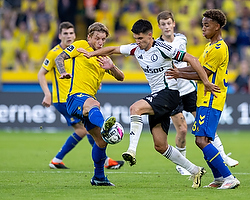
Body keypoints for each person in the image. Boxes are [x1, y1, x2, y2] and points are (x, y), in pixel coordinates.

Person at [78, 19, 220, 188]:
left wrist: (206, 82)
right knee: (160, 146)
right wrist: (92, 54)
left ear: (150, 36)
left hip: (169, 94)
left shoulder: (163, 48)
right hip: (158, 97)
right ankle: (195, 170)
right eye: (135, 38)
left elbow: (193, 60)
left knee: (135, 108)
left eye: (140, 38)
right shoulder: (135, 49)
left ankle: (131, 150)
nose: (137, 42)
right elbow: (113, 49)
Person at [156, 11, 239, 176]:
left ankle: (227, 176)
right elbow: (196, 67)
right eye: (202, 25)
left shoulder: (218, 48)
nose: (202, 29)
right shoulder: (209, 46)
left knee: (202, 140)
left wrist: (179, 73)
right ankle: (219, 178)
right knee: (201, 138)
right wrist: (178, 71)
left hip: (210, 98)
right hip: (197, 96)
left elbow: (205, 73)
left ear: (217, 26)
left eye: (206, 25)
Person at [38, 22, 124, 170]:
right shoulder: (79, 46)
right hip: (71, 98)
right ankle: (104, 129)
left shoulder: (102, 56)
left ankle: (99, 175)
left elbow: (120, 77)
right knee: (91, 112)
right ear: (89, 37)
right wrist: (60, 76)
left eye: (103, 39)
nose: (100, 42)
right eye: (97, 38)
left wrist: (111, 68)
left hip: (85, 99)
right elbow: (57, 60)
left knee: (96, 137)